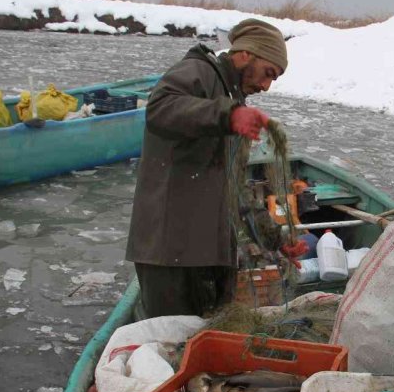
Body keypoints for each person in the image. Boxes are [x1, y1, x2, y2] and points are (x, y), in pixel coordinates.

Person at [125, 18, 306, 318]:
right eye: (268, 73)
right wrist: (228, 116)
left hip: (208, 253)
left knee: (204, 342)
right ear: (246, 54)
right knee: (172, 342)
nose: (266, 85)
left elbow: (236, 190)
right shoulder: (199, 73)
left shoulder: (234, 99)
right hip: (171, 252)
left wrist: (275, 240)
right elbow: (160, 108)